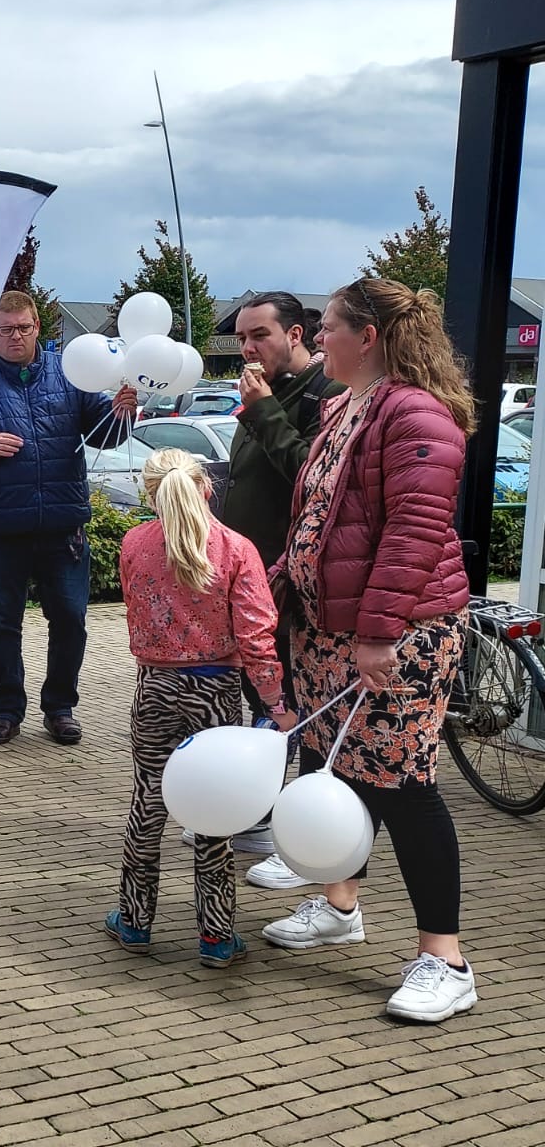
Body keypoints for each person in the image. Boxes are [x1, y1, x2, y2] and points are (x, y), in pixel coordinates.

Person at [260, 277, 476, 1024]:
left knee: (404, 786)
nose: (317, 339)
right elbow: (319, 518)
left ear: (370, 335)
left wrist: (379, 634)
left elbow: (413, 532)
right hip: (333, 633)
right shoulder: (343, 406)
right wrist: (277, 588)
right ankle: (341, 904)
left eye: (327, 327)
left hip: (395, 634)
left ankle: (444, 959)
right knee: (343, 770)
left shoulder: (415, 411)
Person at [105, 450, 298, 968]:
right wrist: (277, 704)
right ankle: (215, 935)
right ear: (207, 488)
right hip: (214, 690)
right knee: (212, 807)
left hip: (154, 686)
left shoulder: (134, 544)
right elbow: (258, 638)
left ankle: (134, 921)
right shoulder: (236, 549)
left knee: (148, 800)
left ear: (151, 495)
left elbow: (133, 609)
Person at [0, 290, 133, 746]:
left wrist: (124, 410)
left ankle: (60, 707)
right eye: (6, 330)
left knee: (71, 619)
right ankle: (5, 711)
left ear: (37, 327)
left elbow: (107, 434)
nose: (15, 337)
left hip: (63, 525)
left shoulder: (70, 374)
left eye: (23, 327)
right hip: (1, 527)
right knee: (3, 624)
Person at [222, 292, 345, 884]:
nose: (248, 348)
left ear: (296, 334)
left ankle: (304, 840)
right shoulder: (263, 392)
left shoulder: (320, 394)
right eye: (243, 339)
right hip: (254, 579)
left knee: (297, 703)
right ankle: (262, 814)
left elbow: (308, 476)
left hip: (295, 583)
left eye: (260, 336)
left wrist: (266, 411)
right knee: (266, 696)